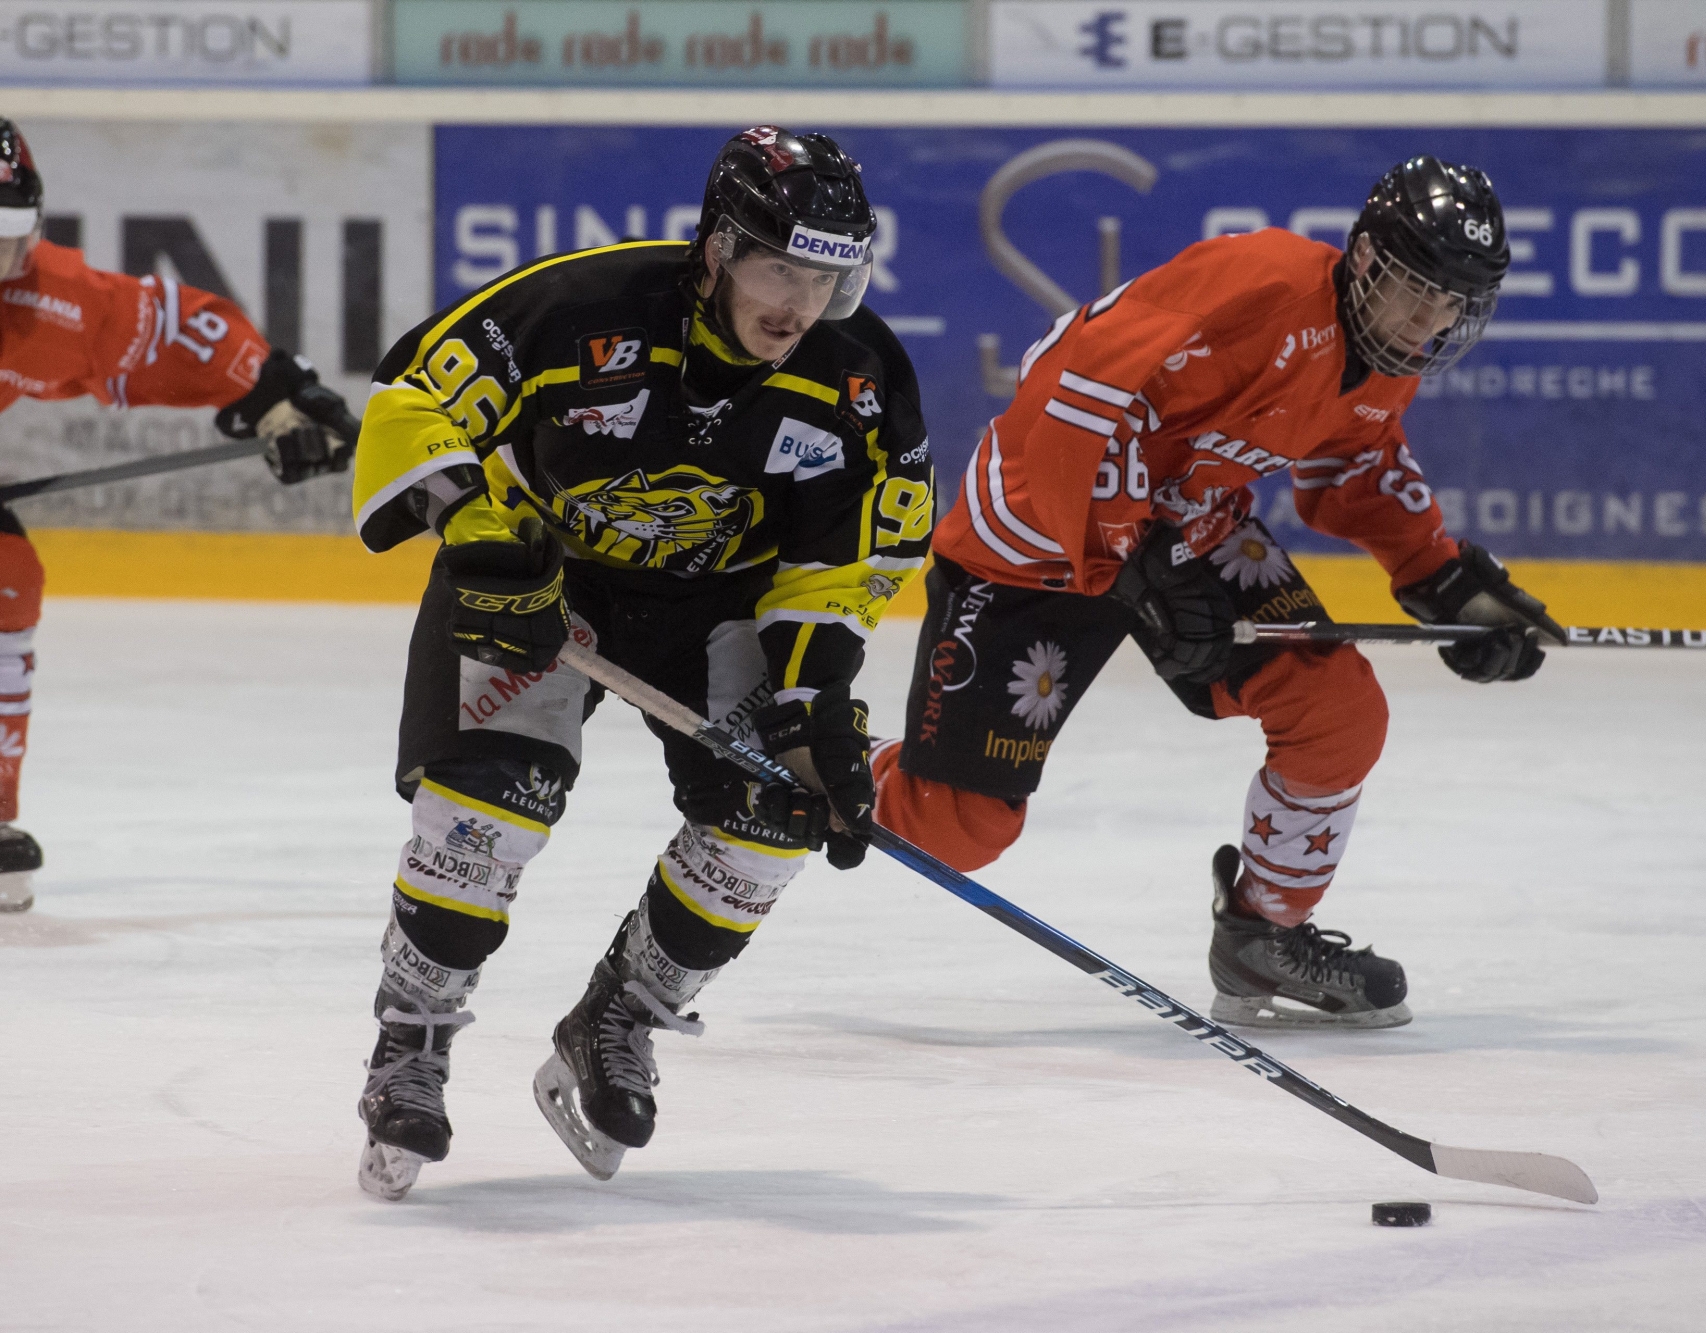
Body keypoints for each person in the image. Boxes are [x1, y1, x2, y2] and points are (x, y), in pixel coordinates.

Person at [346, 125, 933, 1201]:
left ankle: (619, 1016)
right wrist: (477, 534)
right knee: (491, 808)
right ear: (715, 249)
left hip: (714, 607)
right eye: (778, 267)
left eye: (826, 277)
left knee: (770, 819)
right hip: (537, 583)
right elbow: (411, 401)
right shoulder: (580, 308)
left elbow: (842, 563)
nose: (797, 304)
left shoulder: (854, 383)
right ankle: (413, 1040)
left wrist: (812, 706)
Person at [872, 155, 1560, 1030]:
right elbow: (1071, 393)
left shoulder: (1390, 354)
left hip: (1189, 528)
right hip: (1038, 537)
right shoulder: (1260, 284)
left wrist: (1443, 576)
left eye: (1451, 301)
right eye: (1415, 287)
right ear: (1365, 259)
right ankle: (826, 766)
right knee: (954, 830)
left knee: (1338, 711)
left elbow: (1353, 462)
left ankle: (1263, 932)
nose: (1427, 317)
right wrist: (1127, 560)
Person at [0, 118, 358, 914]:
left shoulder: (44, 304)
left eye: (4, 237)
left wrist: (272, 395)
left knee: (5, 577)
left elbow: (174, 327)